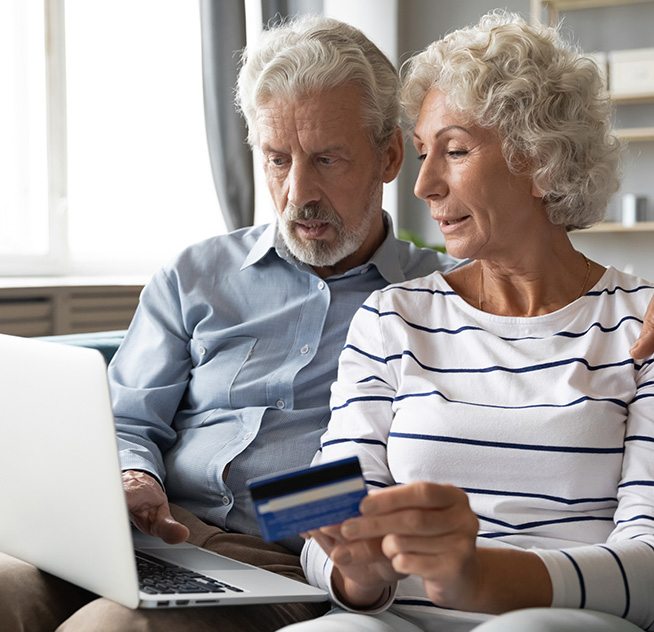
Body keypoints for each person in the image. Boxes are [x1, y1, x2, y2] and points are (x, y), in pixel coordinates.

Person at [0, 12, 652, 632]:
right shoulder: (217, 278)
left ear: (386, 158)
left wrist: (357, 547)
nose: (298, 193)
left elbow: (344, 500)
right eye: (278, 159)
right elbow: (123, 421)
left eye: (327, 159)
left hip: (271, 559)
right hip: (155, 531)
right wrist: (133, 481)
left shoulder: (419, 297)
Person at [282, 10, 654, 632]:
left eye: (454, 150)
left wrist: (477, 577)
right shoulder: (392, 317)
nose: (423, 183)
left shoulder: (641, 324)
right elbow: (319, 518)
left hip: (553, 619)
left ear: (540, 160)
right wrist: (355, 571)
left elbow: (649, 563)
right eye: (424, 152)